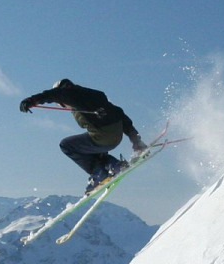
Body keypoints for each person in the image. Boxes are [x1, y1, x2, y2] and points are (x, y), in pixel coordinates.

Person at [20, 79, 149, 192]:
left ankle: (99, 174)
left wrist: (32, 100)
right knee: (88, 144)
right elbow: (121, 116)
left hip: (103, 137)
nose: (63, 106)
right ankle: (113, 165)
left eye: (61, 104)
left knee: (66, 145)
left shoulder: (69, 94)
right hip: (115, 136)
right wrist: (137, 142)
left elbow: (54, 94)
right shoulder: (94, 96)